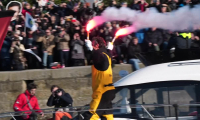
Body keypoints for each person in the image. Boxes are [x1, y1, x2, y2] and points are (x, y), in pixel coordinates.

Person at [82, 37, 115, 120]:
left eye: (93, 44)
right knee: (107, 117)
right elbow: (104, 59)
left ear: (96, 45)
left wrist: (90, 49)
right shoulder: (106, 55)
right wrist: (109, 50)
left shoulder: (100, 55)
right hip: (107, 91)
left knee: (91, 116)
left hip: (102, 91)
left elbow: (98, 58)